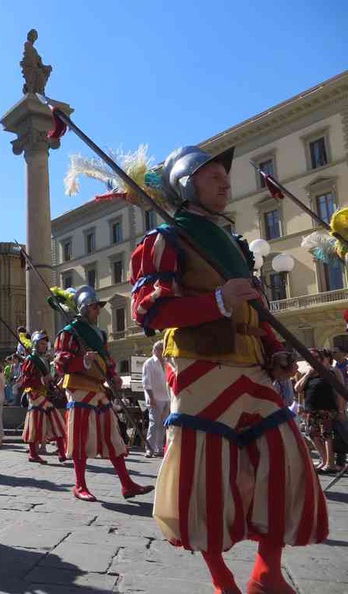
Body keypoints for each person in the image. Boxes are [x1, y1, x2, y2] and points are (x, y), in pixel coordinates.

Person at [130, 145, 327, 594]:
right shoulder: (166, 238)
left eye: (225, 175)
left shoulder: (235, 245)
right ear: (186, 183)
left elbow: (256, 310)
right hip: (199, 365)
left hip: (252, 365)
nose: (225, 182)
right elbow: (149, 310)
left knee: (286, 457)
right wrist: (216, 302)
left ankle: (267, 573)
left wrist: (276, 350)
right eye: (213, 175)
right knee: (206, 476)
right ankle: (223, 582)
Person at [53, 286, 153, 502]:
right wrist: (82, 361)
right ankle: (79, 485)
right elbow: (60, 360)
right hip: (79, 387)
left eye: (98, 307)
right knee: (80, 436)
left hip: (99, 388)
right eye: (94, 307)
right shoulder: (70, 331)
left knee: (113, 436)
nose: (98, 311)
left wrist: (114, 375)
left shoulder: (99, 334)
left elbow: (107, 359)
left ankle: (127, 483)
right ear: (84, 308)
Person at [17, 330, 66, 464]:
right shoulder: (30, 359)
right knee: (35, 425)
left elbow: (48, 379)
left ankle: (62, 451)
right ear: (35, 344)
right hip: (35, 395)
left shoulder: (44, 360)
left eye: (45, 344)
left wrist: (51, 384)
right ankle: (33, 454)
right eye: (42, 344)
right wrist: (42, 380)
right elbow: (26, 380)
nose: (44, 346)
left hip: (45, 395)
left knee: (56, 421)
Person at [296, 348, 346, 473]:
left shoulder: (332, 371)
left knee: (327, 435)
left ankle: (331, 463)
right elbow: (298, 389)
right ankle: (324, 460)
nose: (314, 359)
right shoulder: (306, 373)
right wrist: (308, 374)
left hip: (327, 409)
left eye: (316, 357)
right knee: (313, 434)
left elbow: (340, 392)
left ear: (321, 358)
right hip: (311, 409)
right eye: (310, 357)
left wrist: (341, 411)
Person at [141, 341, 171, 458]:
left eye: (163, 349)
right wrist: (151, 397)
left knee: (163, 425)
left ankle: (159, 448)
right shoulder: (149, 363)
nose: (163, 351)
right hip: (155, 398)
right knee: (153, 424)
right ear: (155, 350)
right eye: (160, 349)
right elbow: (146, 382)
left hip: (166, 397)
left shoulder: (166, 363)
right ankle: (149, 449)